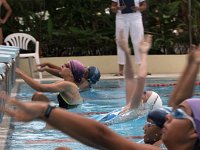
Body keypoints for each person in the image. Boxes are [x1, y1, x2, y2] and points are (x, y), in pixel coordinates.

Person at [1, 40, 200, 150]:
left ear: (194, 133)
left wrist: (46, 112)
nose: (168, 117)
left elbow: (102, 135)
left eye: (178, 115)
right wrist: (193, 64)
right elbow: (176, 101)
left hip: (98, 123)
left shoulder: (138, 118)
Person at [97, 31, 162, 125]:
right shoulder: (131, 109)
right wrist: (126, 53)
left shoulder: (135, 108)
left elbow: (141, 78)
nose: (142, 92)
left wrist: (143, 54)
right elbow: (129, 78)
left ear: (146, 105)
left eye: (145, 94)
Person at [16, 63, 83, 109]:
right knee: (38, 97)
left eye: (66, 66)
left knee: (38, 96)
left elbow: (40, 88)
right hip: (69, 112)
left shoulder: (68, 85)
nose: (62, 66)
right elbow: (41, 87)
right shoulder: (65, 83)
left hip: (71, 115)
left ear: (71, 74)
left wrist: (21, 73)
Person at [111, 0, 147, 76]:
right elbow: (112, 8)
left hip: (136, 18)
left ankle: (142, 69)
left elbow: (144, 6)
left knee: (139, 42)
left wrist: (138, 8)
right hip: (121, 18)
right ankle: (121, 70)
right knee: (121, 42)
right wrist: (118, 8)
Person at [37, 60, 101, 91]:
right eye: (86, 68)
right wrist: (48, 65)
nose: (84, 70)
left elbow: (62, 72)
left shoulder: (85, 84)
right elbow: (61, 71)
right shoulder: (79, 79)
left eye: (86, 72)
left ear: (88, 79)